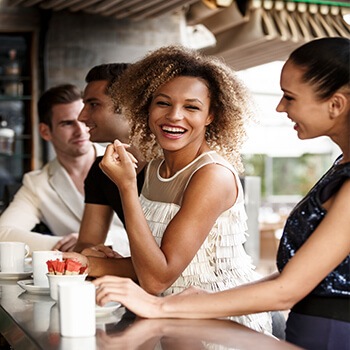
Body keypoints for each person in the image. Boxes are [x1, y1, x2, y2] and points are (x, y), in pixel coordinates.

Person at [92, 38, 350, 349]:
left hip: (324, 332)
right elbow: (293, 278)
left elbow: (287, 290)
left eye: (289, 97)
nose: (280, 107)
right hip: (290, 324)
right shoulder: (340, 167)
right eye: (163, 103)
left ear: (336, 104)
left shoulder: (212, 174)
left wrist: (165, 306)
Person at [64, 45, 272, 334]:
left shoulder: (211, 175)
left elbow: (157, 278)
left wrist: (126, 186)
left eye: (191, 107)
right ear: (145, 108)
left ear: (211, 116)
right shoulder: (154, 169)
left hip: (218, 324)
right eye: (163, 103)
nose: (174, 116)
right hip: (167, 316)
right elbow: (149, 265)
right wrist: (84, 262)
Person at [0, 84, 120, 253]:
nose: (81, 131)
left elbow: (157, 231)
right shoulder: (37, 184)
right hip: (78, 276)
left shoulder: (124, 163)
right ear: (45, 132)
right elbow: (3, 234)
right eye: (67, 124)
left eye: (83, 120)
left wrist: (93, 242)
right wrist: (68, 245)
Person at [74, 63, 146, 257]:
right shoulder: (101, 171)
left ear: (130, 106)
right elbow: (86, 242)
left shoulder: (169, 169)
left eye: (93, 104)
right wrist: (93, 252)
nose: (81, 116)